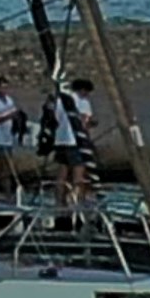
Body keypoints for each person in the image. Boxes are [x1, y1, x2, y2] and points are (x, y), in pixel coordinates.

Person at [45, 79, 101, 224]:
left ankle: (59, 203)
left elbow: (56, 118)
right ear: (83, 90)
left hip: (60, 140)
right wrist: (92, 123)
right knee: (79, 173)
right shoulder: (82, 102)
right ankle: (77, 203)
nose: (87, 95)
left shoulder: (61, 100)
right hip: (76, 142)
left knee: (62, 174)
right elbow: (83, 123)